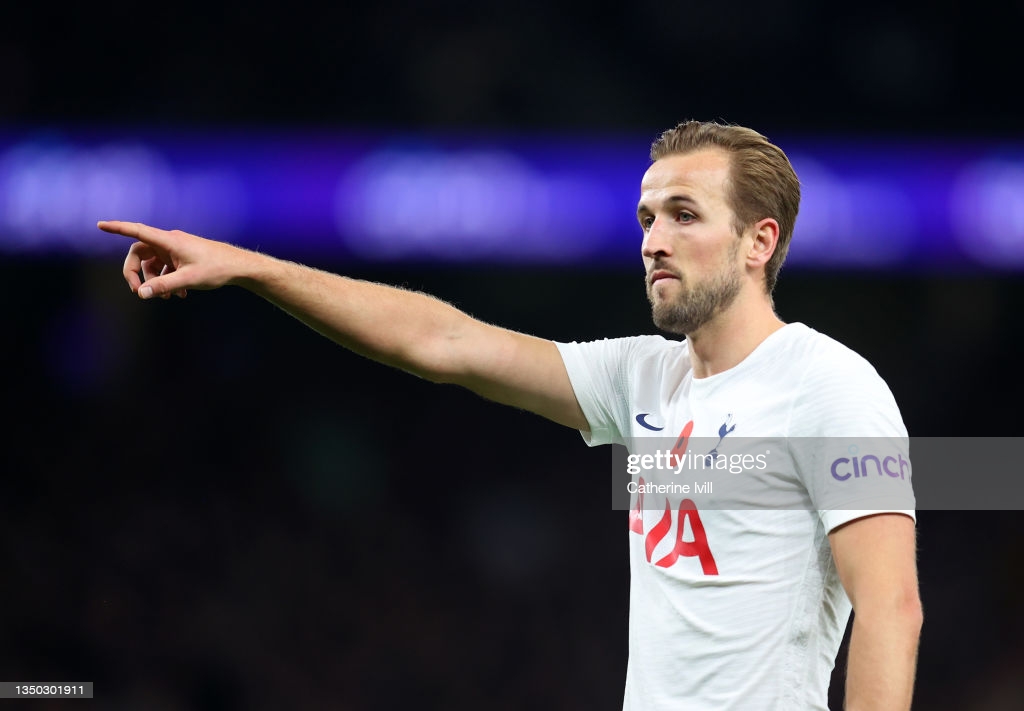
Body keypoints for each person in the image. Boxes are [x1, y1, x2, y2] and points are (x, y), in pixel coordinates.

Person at [99, 120, 922, 710]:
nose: (653, 240)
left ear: (758, 242)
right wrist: (248, 267)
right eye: (646, 217)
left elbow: (891, 607)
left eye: (683, 214)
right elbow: (443, 340)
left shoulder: (830, 387)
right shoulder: (642, 376)